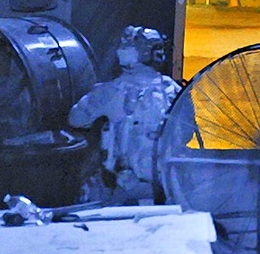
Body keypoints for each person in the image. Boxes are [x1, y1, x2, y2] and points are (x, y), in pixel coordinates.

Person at [69, 26, 180, 205]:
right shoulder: (172, 90)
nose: (159, 53)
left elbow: (76, 119)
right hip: (152, 187)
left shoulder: (111, 92)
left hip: (145, 188)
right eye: (154, 48)